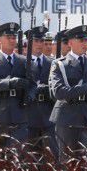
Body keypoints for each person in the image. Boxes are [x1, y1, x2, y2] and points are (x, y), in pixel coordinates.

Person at [49, 24, 87, 155]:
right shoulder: (60, 64)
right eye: (81, 40)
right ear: (71, 42)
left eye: (86, 40)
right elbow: (59, 92)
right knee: (68, 162)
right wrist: (86, 87)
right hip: (67, 116)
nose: (85, 43)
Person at [0, 22, 31, 145]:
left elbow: (32, 84)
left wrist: (30, 95)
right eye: (8, 37)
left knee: (18, 156)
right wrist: (8, 83)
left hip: (19, 114)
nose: (12, 40)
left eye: (14, 37)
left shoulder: (23, 60)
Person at [24, 25, 57, 156]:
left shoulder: (52, 63)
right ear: (29, 42)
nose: (39, 44)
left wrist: (44, 89)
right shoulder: (22, 62)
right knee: (30, 157)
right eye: (36, 41)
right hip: (28, 113)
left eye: (41, 41)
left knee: (50, 156)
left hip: (47, 113)